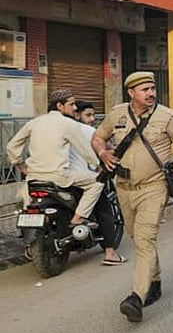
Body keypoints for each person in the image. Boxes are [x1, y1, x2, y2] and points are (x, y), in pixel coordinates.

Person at [93, 72, 173, 322]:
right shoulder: (118, 114)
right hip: (124, 187)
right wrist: (103, 153)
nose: (151, 93)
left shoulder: (167, 117)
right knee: (136, 236)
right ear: (131, 92)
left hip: (154, 187)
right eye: (145, 89)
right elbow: (98, 137)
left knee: (144, 238)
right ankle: (154, 281)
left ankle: (136, 296)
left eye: (153, 88)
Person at [7, 90, 104, 229]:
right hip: (59, 177)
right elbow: (85, 150)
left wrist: (20, 164)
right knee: (97, 182)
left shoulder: (34, 122)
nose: (75, 108)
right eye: (71, 104)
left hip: (34, 178)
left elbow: (12, 145)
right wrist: (97, 166)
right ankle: (78, 217)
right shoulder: (68, 124)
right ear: (59, 105)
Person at [72, 100, 126, 266]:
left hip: (55, 178)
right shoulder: (88, 131)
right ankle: (110, 252)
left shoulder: (59, 129)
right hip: (83, 178)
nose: (92, 119)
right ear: (76, 114)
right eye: (88, 115)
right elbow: (110, 149)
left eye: (93, 115)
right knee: (105, 211)